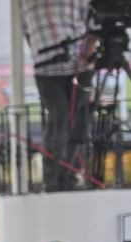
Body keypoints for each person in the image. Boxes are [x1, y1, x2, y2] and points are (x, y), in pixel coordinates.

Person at [21, 0, 93, 192]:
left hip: (79, 66)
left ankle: (70, 175)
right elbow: (26, 30)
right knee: (59, 116)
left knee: (79, 119)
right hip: (47, 68)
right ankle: (53, 179)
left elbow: (94, 26)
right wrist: (39, 52)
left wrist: (87, 55)